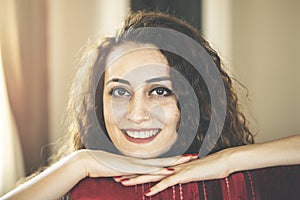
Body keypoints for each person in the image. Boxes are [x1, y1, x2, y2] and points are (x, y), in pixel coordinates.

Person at [2, 11, 300, 200]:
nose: (136, 113)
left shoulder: (253, 181)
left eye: (159, 90)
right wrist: (82, 162)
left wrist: (227, 161)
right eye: (119, 91)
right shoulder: (76, 186)